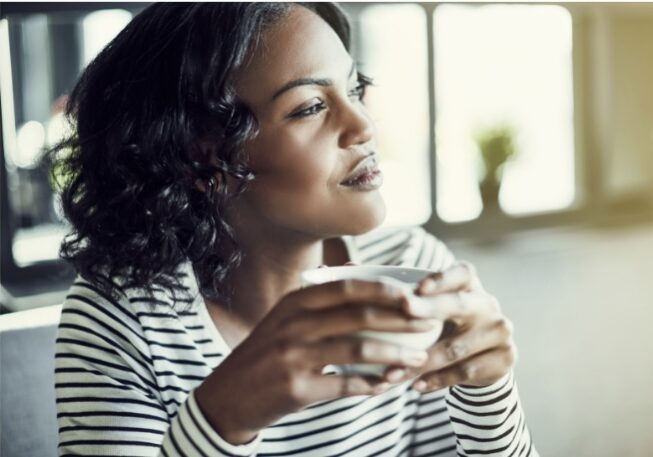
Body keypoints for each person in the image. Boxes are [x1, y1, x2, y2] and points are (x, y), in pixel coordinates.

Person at [50, 3, 537, 456]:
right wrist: (220, 419)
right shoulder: (121, 318)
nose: (362, 123)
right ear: (204, 156)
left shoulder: (415, 268)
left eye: (354, 89)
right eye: (309, 107)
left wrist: (487, 396)